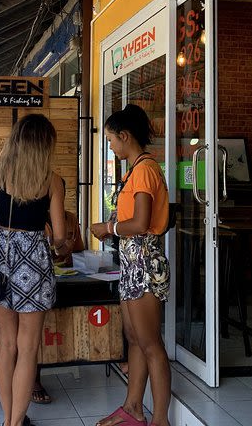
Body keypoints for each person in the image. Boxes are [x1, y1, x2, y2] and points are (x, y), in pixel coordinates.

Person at [0, 114, 68, 426]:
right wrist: (59, 245)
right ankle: (16, 422)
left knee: (7, 344)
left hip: (1, 259)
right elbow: (57, 236)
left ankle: (6, 419)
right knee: (28, 349)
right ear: (45, 145)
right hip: (35, 263)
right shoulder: (52, 180)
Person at [90, 104, 171, 426]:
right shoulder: (134, 170)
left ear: (125, 136)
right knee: (135, 339)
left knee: (151, 344)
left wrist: (108, 229)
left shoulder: (145, 171)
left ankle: (161, 419)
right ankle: (133, 408)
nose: (111, 146)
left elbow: (139, 223)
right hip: (132, 263)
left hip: (145, 264)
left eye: (111, 140)